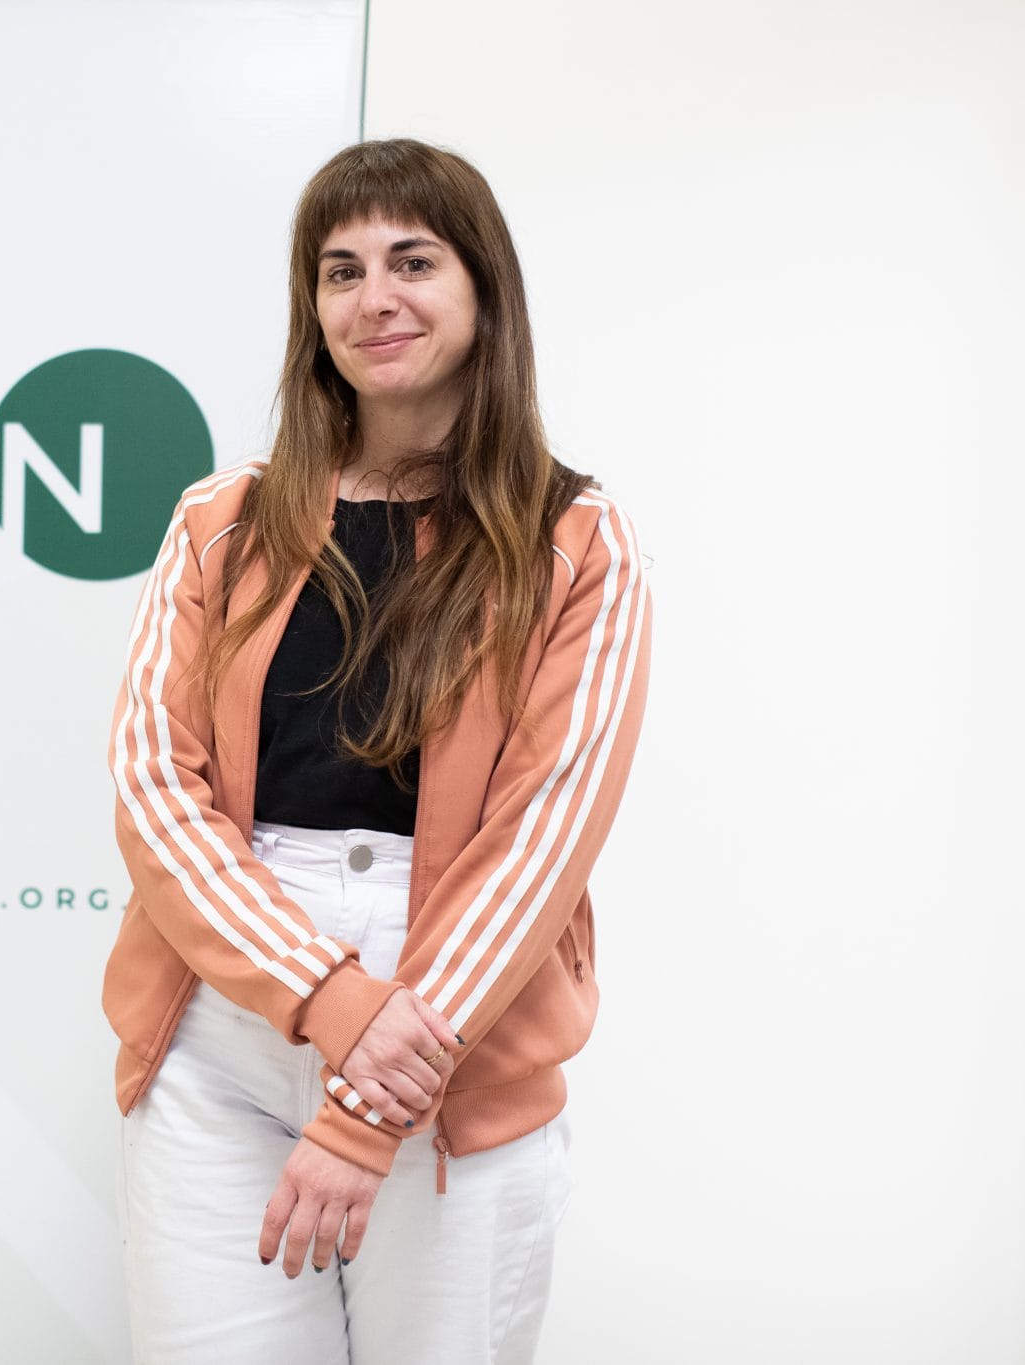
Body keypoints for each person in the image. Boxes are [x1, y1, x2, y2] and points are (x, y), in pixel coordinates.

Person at [101, 137, 655, 1363]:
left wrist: (364, 1107)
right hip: (223, 1032)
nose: (373, 299)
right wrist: (327, 999)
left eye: (412, 262)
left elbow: (540, 840)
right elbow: (152, 786)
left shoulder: (576, 538)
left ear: (482, 292)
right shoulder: (219, 519)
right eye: (340, 271)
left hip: (456, 1032)